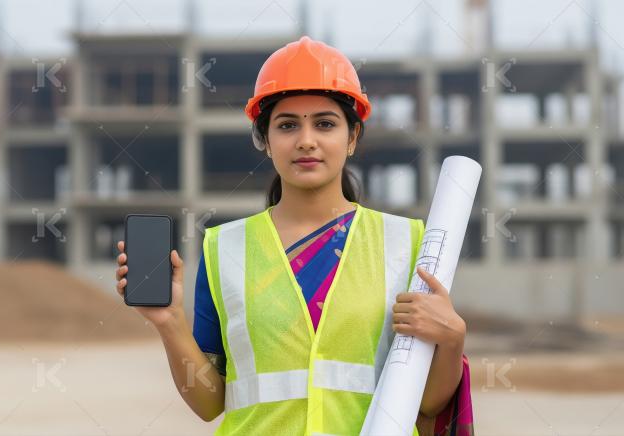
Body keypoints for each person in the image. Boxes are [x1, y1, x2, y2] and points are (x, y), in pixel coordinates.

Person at [115, 35, 474, 436]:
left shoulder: (408, 243)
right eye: (287, 125)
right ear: (265, 141)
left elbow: (428, 403)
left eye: (325, 123)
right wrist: (169, 323)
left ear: (352, 138)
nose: (306, 140)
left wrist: (452, 338)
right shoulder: (224, 249)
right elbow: (209, 403)